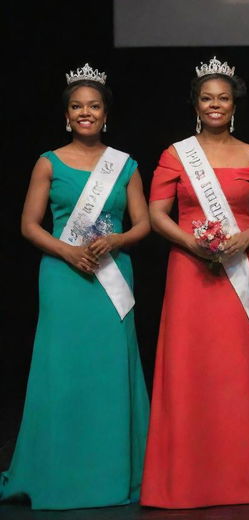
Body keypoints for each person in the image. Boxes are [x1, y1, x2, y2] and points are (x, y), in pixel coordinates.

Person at [0, 64, 150, 510]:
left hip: (112, 277)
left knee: (109, 373)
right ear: (67, 115)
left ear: (106, 113)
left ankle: (115, 472)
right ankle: (55, 471)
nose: (86, 113)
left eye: (94, 106)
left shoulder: (125, 165)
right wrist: (67, 252)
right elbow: (29, 225)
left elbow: (143, 224)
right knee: (62, 374)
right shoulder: (48, 162)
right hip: (65, 278)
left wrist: (117, 240)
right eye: (77, 107)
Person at [141, 57, 249, 508]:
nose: (215, 104)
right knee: (189, 367)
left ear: (234, 103)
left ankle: (241, 477)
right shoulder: (175, 155)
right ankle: (183, 478)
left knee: (236, 371)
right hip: (189, 270)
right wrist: (193, 244)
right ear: (195, 105)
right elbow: (156, 214)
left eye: (223, 97)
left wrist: (245, 239)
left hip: (240, 267)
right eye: (206, 98)